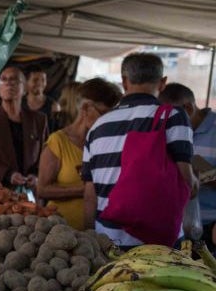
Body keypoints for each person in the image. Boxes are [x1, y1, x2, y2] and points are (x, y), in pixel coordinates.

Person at [82, 52, 197, 248]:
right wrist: (196, 183)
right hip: (159, 243)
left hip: (108, 241)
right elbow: (186, 180)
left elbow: (90, 194)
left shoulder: (97, 127)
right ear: (162, 83)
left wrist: (90, 237)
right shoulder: (173, 116)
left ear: (124, 82)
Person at [36, 78, 121, 230]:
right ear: (86, 108)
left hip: (101, 232)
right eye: (104, 114)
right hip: (62, 230)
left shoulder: (106, 143)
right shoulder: (58, 141)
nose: (109, 121)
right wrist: (87, 190)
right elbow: (42, 189)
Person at [159, 82, 216, 249]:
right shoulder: (167, 130)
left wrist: (194, 170)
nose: (167, 121)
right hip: (174, 228)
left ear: (189, 109)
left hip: (209, 227)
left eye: (171, 115)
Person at [23, 64, 60, 130]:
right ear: (26, 82)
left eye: (43, 80)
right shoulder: (19, 103)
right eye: (35, 80)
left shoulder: (53, 106)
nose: (40, 84)